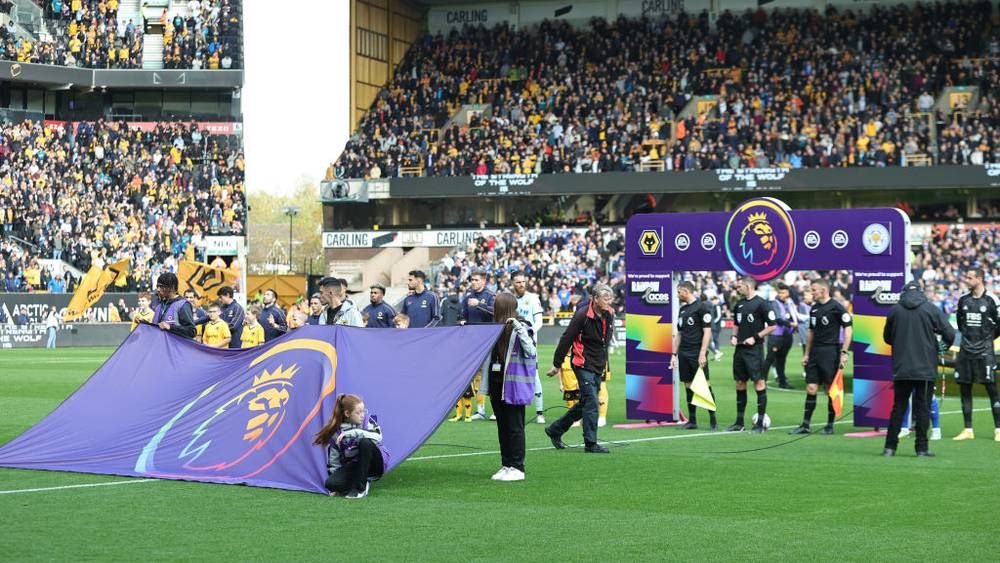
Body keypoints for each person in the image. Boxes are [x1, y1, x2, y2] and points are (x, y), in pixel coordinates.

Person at [882, 281, 957, 457]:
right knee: (923, 409)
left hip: (902, 368)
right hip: (925, 368)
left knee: (898, 408)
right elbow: (950, 333)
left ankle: (890, 448)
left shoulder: (894, 310)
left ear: (903, 293)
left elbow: (887, 338)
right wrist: (940, 348)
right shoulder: (931, 309)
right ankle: (921, 449)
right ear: (921, 292)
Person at [544, 283, 615, 454]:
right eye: (605, 298)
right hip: (581, 363)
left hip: (597, 364)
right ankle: (591, 443)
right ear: (595, 298)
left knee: (585, 403)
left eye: (610, 298)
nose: (608, 302)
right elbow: (566, 338)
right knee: (592, 402)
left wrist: (603, 364)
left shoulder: (610, 314)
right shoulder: (582, 315)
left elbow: (605, 342)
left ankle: (555, 430)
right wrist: (557, 364)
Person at [482, 292, 536, 482]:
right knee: (502, 426)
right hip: (496, 382)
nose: (494, 308)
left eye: (496, 305)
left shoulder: (522, 325)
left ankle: (518, 467)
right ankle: (506, 464)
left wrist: (518, 327)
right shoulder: (496, 326)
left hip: (513, 384)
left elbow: (531, 350)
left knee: (515, 426)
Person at [790, 279, 853, 435]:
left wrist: (844, 352)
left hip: (830, 352)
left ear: (823, 291)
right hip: (814, 352)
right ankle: (805, 425)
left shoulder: (836, 307)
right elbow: (811, 332)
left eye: (814, 290)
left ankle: (830, 425)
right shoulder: (814, 309)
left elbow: (848, 328)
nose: (811, 293)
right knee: (811, 387)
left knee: (830, 388)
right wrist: (806, 353)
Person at [953, 269, 1000, 441]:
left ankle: (998, 430)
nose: (967, 280)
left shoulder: (992, 300)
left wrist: (986, 339)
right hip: (966, 352)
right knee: (964, 388)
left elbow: (999, 325)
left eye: (970, 277)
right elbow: (960, 324)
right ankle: (968, 429)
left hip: (985, 353)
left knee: (992, 390)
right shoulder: (963, 300)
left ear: (979, 279)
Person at [727, 276, 777, 433]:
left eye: (740, 286)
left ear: (748, 286)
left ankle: (760, 423)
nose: (738, 289)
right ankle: (739, 422)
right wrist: (734, 336)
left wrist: (755, 337)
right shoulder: (739, 304)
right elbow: (736, 324)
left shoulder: (762, 304)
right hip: (740, 349)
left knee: (759, 383)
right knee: (740, 383)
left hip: (755, 350)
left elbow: (772, 326)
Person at [313, 394, 387, 499]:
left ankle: (361, 488)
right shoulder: (337, 433)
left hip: (375, 464)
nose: (362, 415)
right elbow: (334, 462)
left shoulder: (367, 420)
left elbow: (378, 436)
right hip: (355, 466)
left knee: (365, 443)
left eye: (363, 411)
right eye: (358, 412)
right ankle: (358, 480)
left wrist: (353, 432)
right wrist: (337, 486)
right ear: (347, 413)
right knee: (331, 484)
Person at [670, 281, 717, 430]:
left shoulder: (702, 307)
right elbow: (679, 334)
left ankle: (713, 420)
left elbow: (707, 332)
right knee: (688, 385)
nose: (677, 295)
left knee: (704, 385)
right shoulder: (683, 310)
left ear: (686, 291)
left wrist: (703, 353)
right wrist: (673, 355)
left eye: (679, 292)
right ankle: (692, 421)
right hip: (684, 353)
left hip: (697, 353)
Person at [513, 271, 546, 424]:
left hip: (529, 343)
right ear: (513, 283)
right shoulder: (510, 299)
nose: (521, 284)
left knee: (534, 374)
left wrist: (530, 331)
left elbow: (539, 321)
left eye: (523, 282)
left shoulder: (532, 298)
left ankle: (540, 412)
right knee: (512, 373)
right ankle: (511, 407)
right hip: (513, 343)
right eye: (518, 282)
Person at [763, 283, 797, 389]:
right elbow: (778, 319)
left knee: (782, 360)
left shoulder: (790, 303)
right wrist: (790, 324)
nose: (781, 295)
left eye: (784, 292)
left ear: (788, 293)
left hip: (787, 336)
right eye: (780, 292)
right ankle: (762, 381)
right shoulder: (774, 303)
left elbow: (794, 316)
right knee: (770, 359)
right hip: (776, 336)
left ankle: (782, 382)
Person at [152, 273, 197, 339]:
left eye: (161, 286)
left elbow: (192, 331)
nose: (158, 289)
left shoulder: (183, 305)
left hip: (175, 345)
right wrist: (143, 324)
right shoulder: (159, 305)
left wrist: (171, 327)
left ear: (171, 288)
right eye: (157, 286)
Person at [709, 294, 724, 361]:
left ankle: (717, 354)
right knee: (714, 339)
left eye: (713, 300)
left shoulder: (717, 306)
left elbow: (718, 316)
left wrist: (713, 322)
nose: (712, 301)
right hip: (715, 325)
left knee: (715, 339)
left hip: (716, 326)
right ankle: (717, 354)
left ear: (716, 300)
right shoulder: (714, 306)